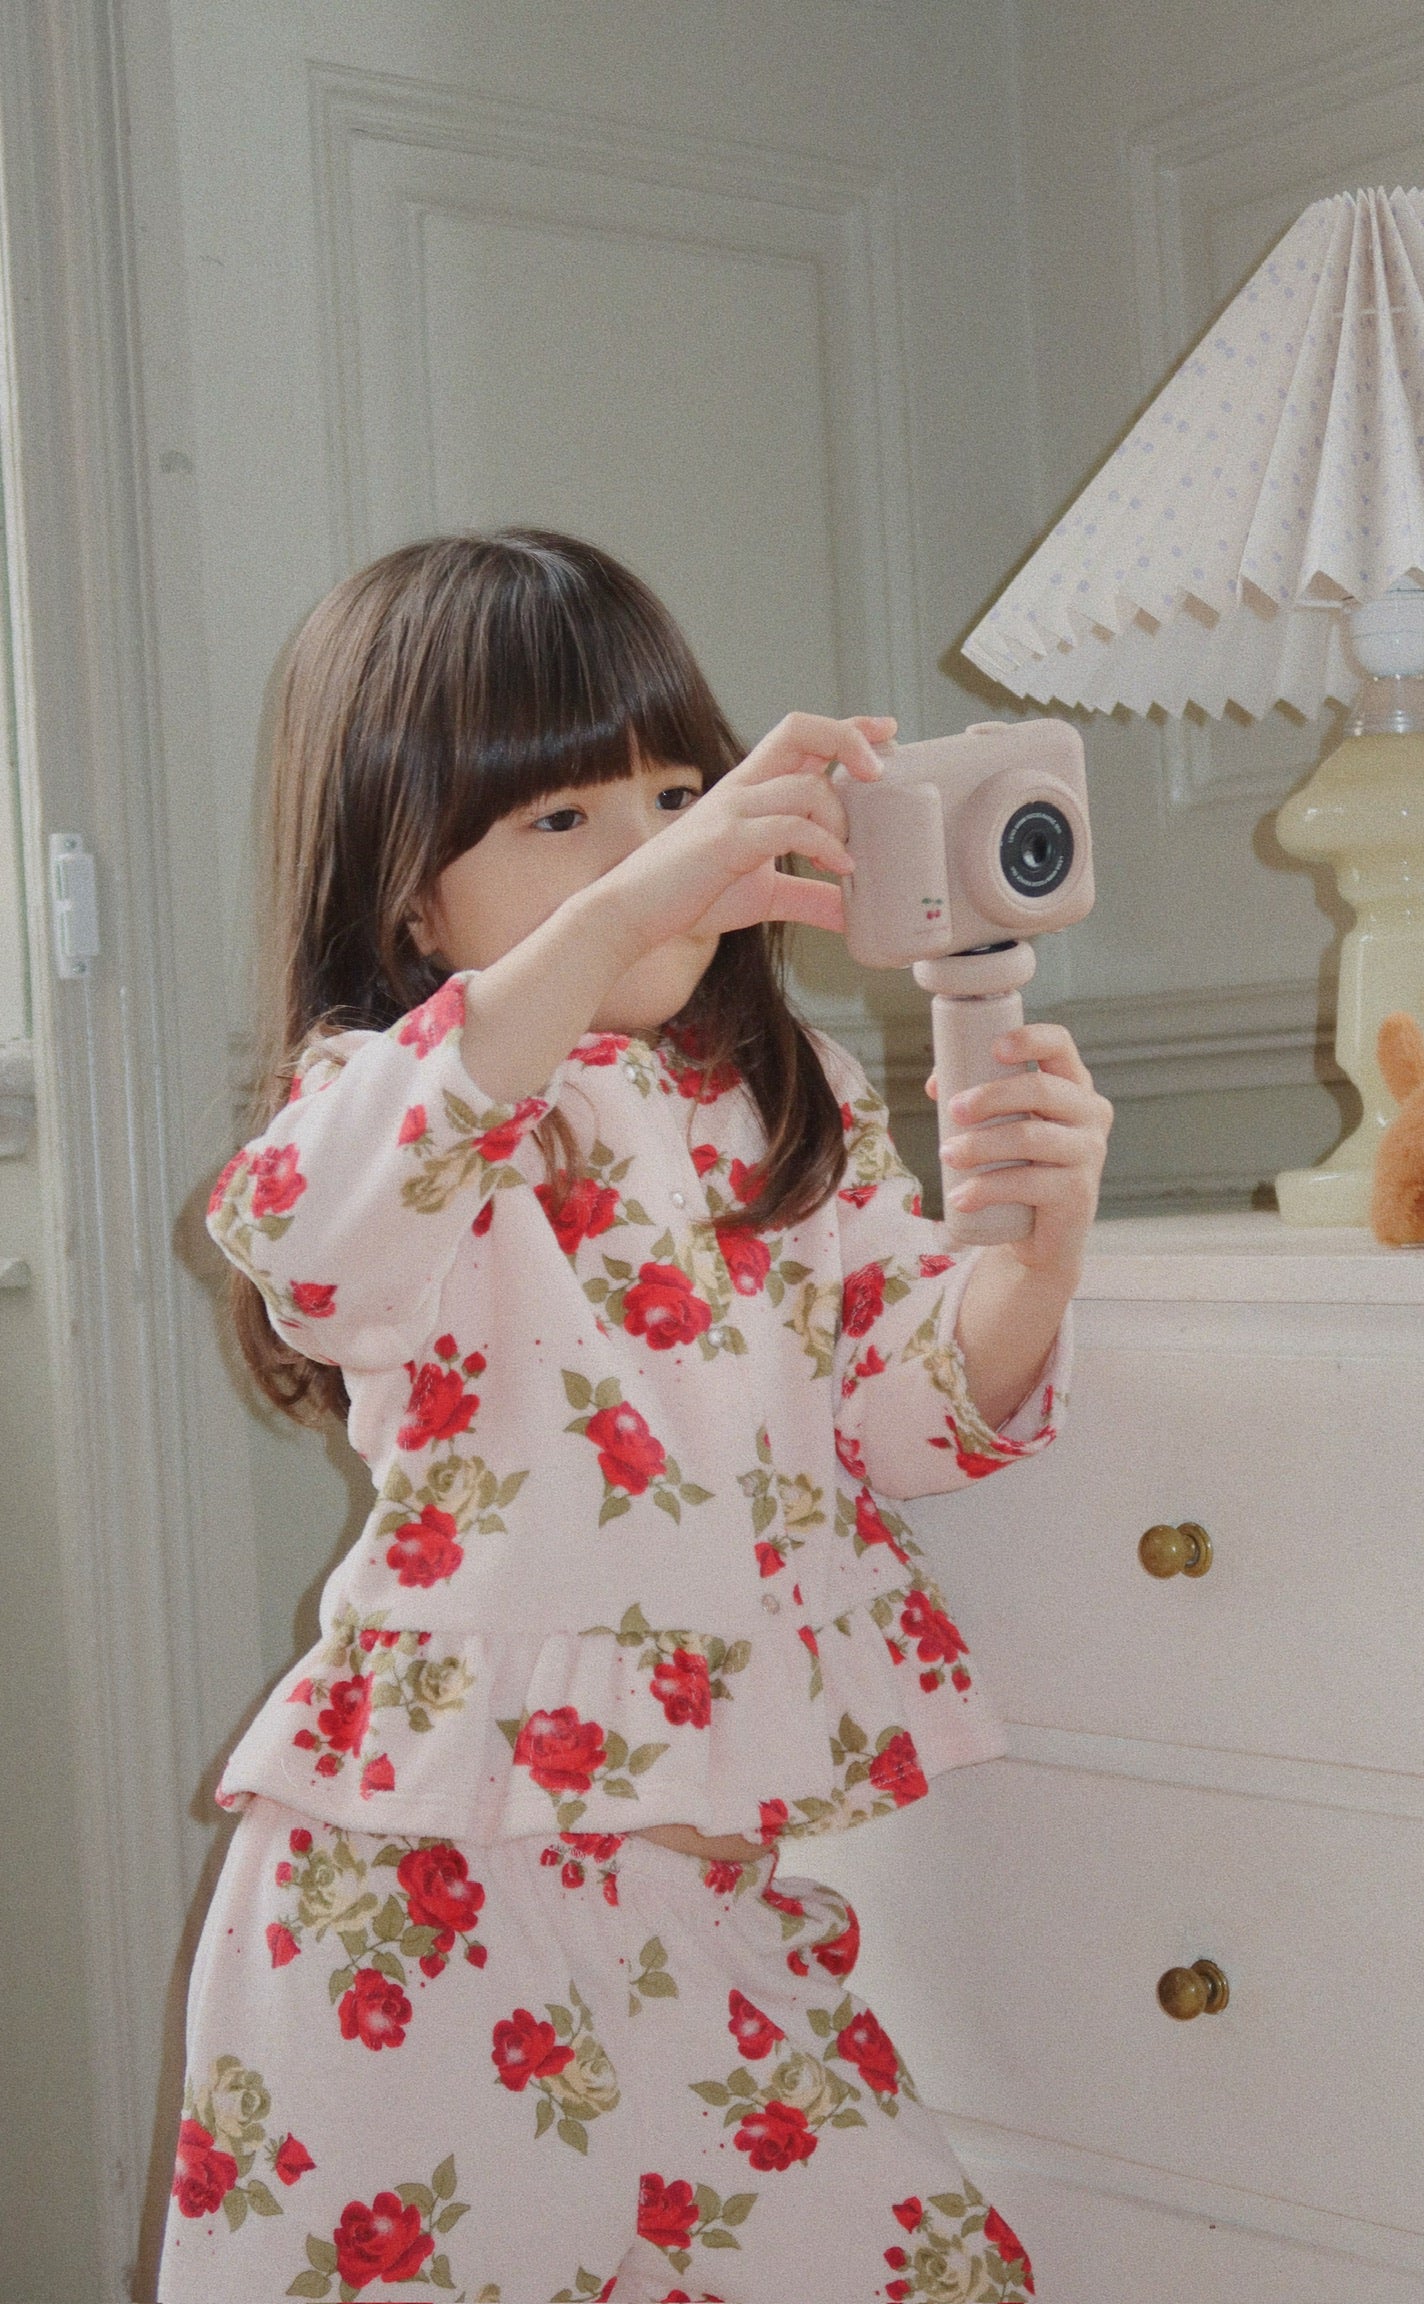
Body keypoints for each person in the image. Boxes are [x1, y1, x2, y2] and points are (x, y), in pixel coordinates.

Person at [163, 529, 1111, 2304]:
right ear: (408, 901)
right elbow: (299, 1230)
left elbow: (905, 1417)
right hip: (419, 1921)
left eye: (679, 795)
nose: (656, 853)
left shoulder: (791, 1099)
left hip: (707, 1917)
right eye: (561, 817)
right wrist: (626, 906)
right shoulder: (398, 1108)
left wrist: (1034, 1259)